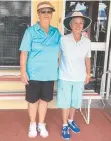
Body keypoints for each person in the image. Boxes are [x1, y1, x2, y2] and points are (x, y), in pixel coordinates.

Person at [19, 1, 60, 138]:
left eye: (49, 11)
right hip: (34, 74)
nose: (47, 14)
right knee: (33, 101)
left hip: (49, 74)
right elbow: (24, 52)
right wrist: (23, 71)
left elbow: (64, 49)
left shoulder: (56, 32)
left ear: (52, 14)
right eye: (43, 11)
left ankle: (41, 124)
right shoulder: (30, 31)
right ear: (38, 14)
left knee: (44, 100)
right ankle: (32, 124)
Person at [57, 11, 92, 140]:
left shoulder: (87, 42)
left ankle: (71, 120)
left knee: (75, 101)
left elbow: (88, 58)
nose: (78, 25)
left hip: (79, 78)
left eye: (81, 23)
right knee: (65, 102)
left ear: (84, 25)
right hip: (65, 76)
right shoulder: (63, 40)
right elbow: (57, 56)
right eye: (75, 22)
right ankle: (65, 125)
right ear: (70, 25)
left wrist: (88, 74)